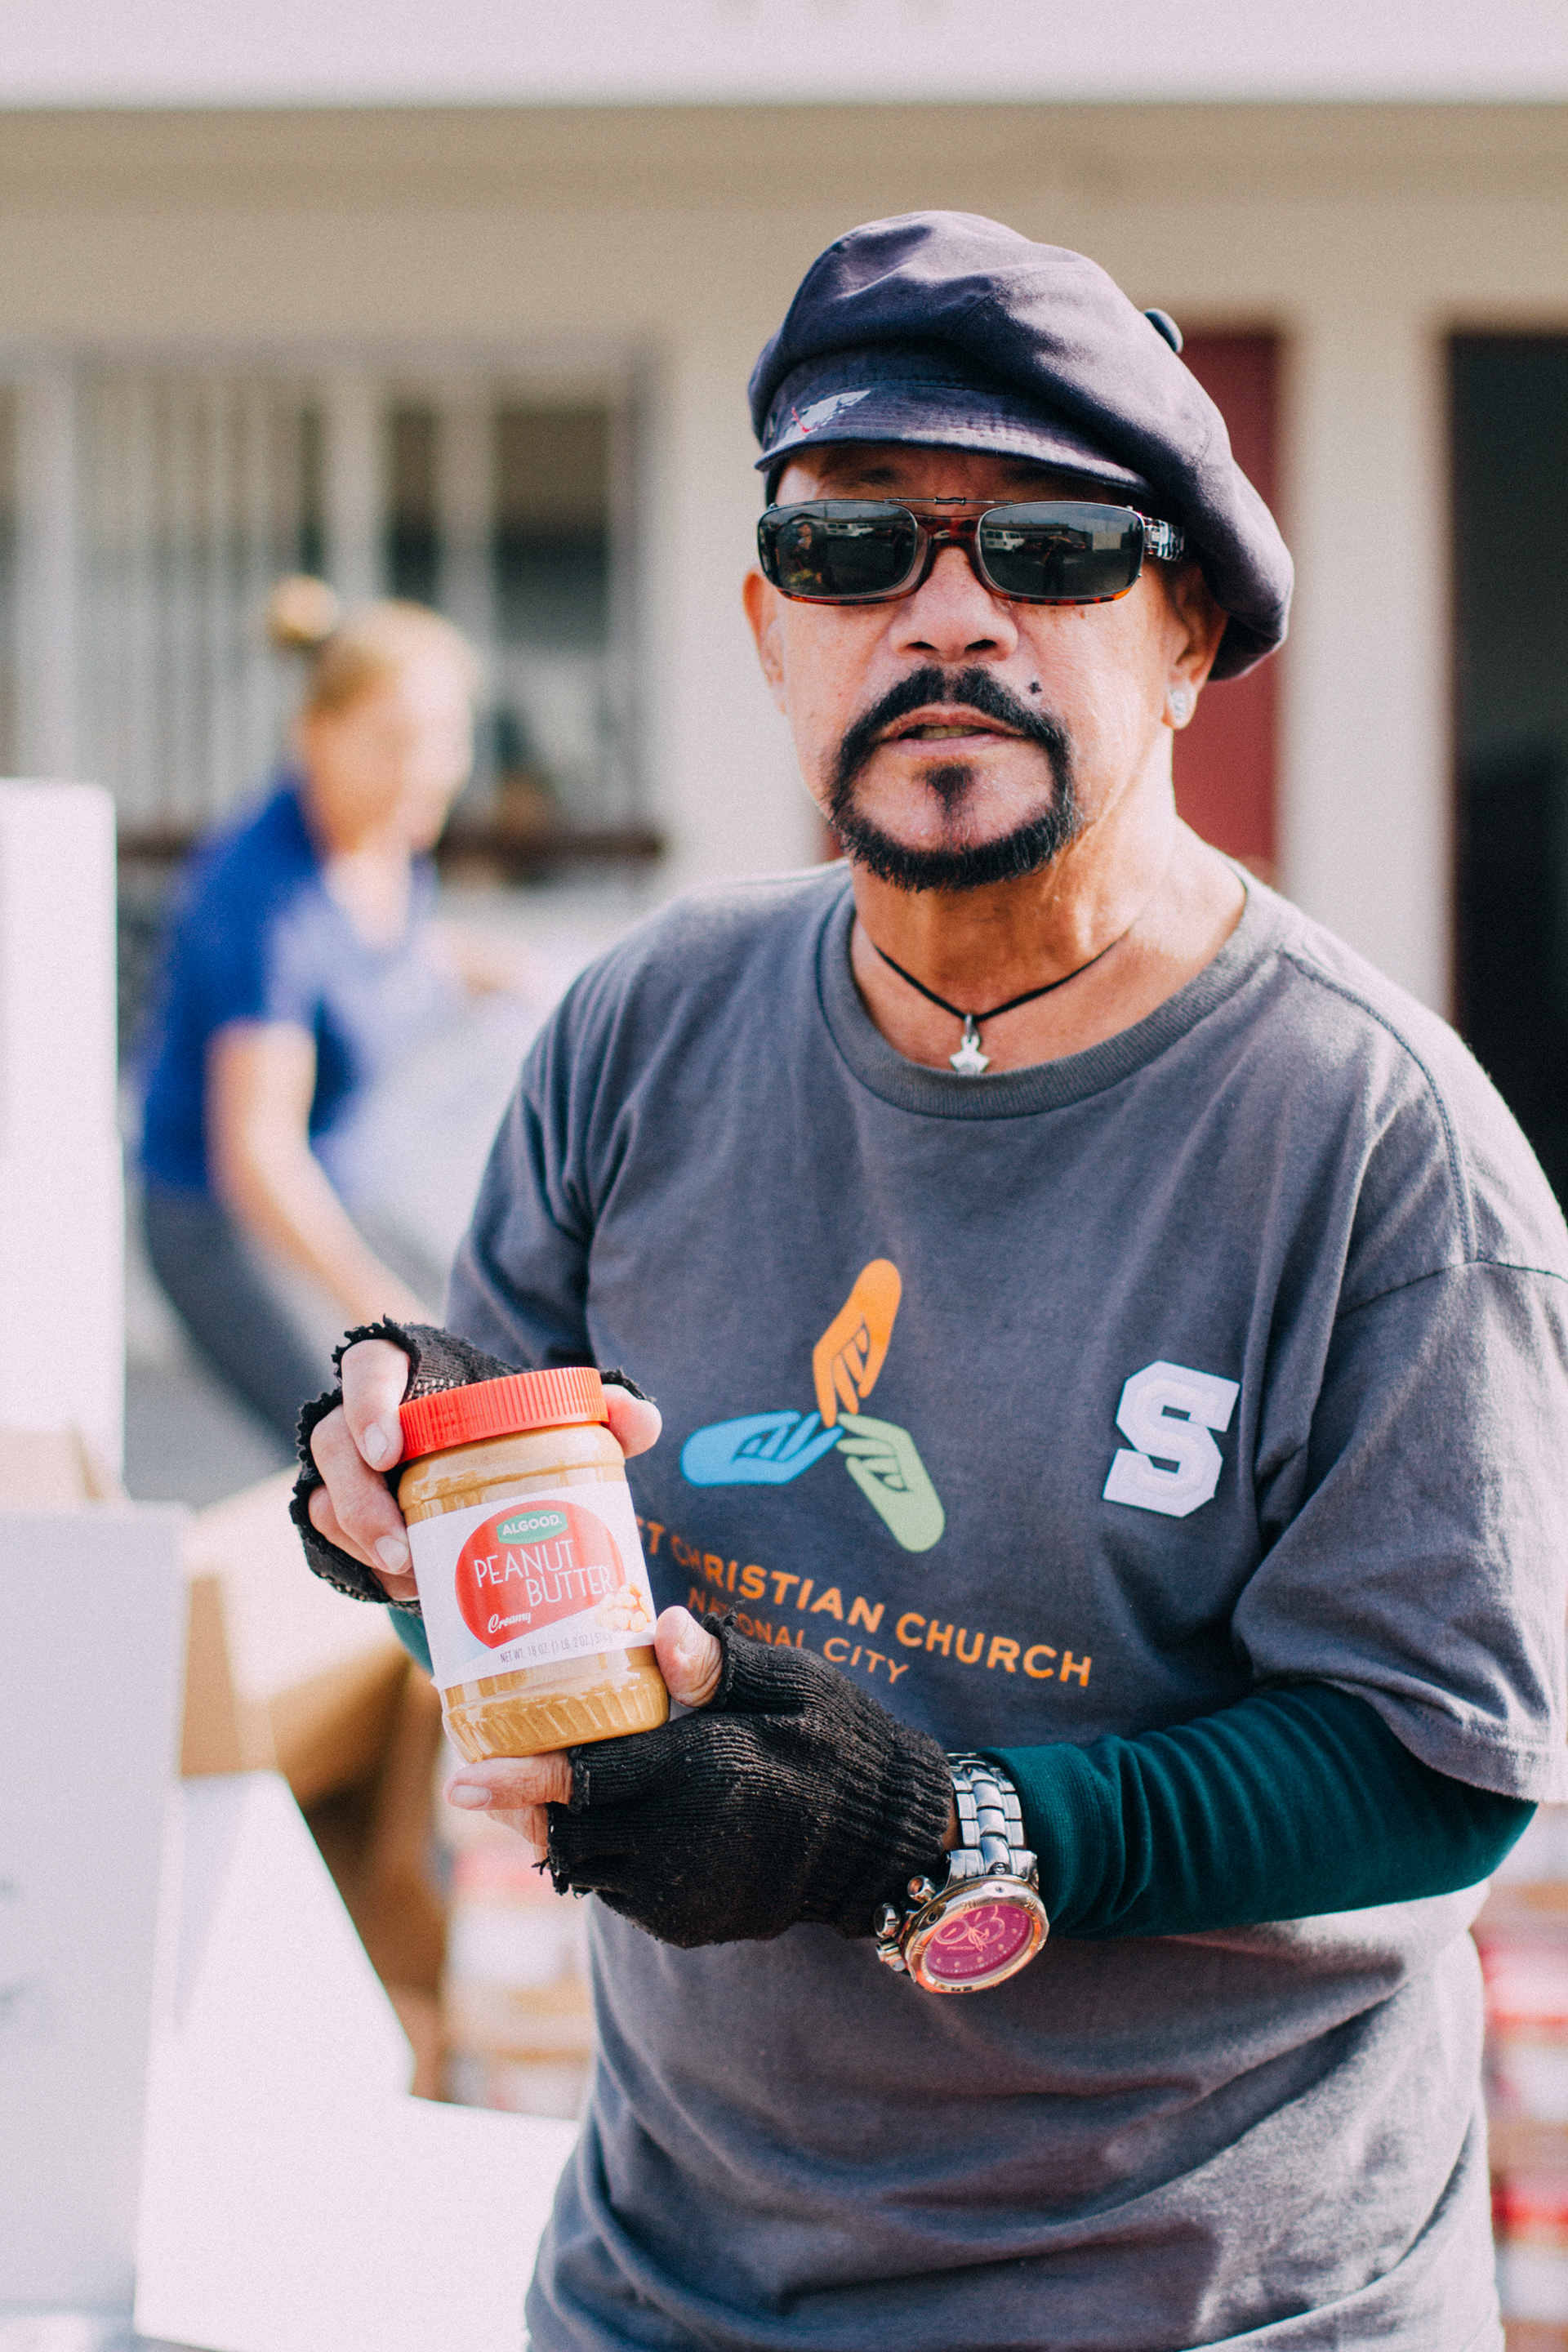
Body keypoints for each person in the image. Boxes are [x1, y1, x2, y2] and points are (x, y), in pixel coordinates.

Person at [295, 215, 1568, 2350]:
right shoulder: (650, 1027)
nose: (949, 612)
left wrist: (932, 1824)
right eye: (856, 545)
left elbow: (1438, 1774)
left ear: (1187, 640)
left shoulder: (1374, 1152)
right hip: (675, 2278)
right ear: (771, 634)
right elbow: (499, 1475)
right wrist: (390, 1473)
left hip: (1214, 2303)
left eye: (1057, 550)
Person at [140, 582, 527, 1450]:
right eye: (393, 744)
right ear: (313, 737)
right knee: (377, 1440)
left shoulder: (388, 839)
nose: (424, 770)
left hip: (345, 1184)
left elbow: (388, 955)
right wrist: (385, 1316)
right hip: (220, 1221)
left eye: (445, 741)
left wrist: (492, 970)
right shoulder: (261, 902)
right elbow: (258, 1157)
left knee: (497, 1357)